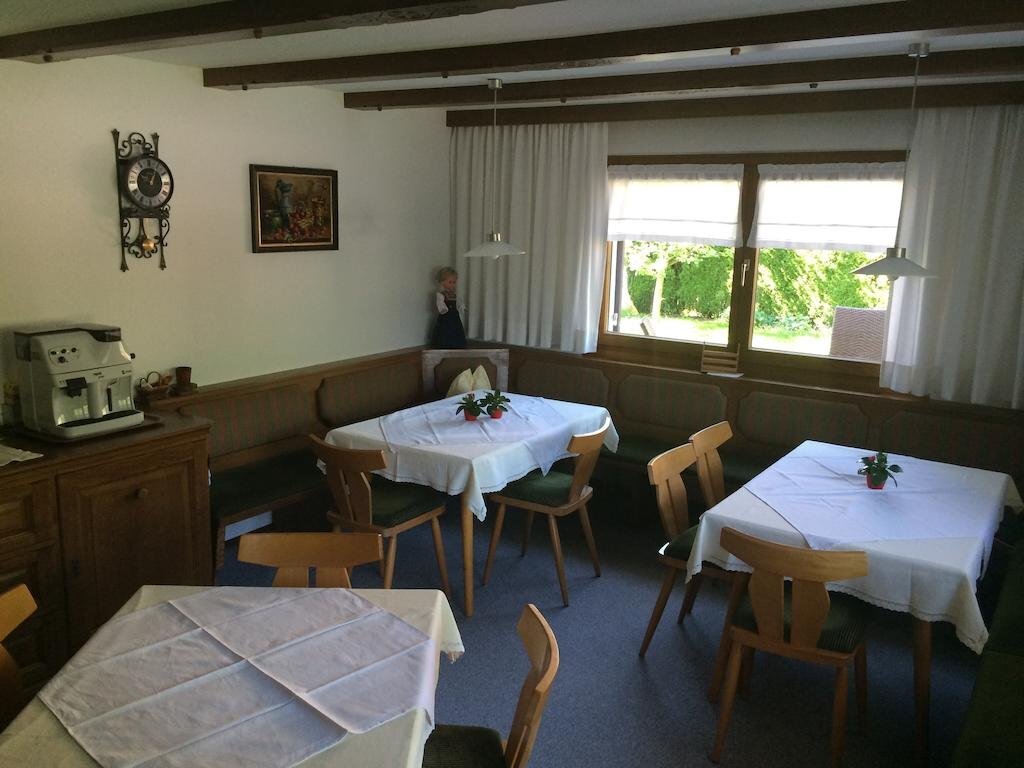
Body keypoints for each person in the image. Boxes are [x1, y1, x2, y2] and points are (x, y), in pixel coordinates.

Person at [431, 266, 466, 348]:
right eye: (450, 282)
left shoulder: (454, 294)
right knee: (445, 328)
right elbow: (440, 303)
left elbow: (459, 302)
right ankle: (444, 343)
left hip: (454, 315)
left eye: (454, 282)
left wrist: (462, 307)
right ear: (442, 282)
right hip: (445, 315)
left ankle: (456, 343)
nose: (453, 284)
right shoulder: (441, 294)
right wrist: (443, 309)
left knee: (455, 328)